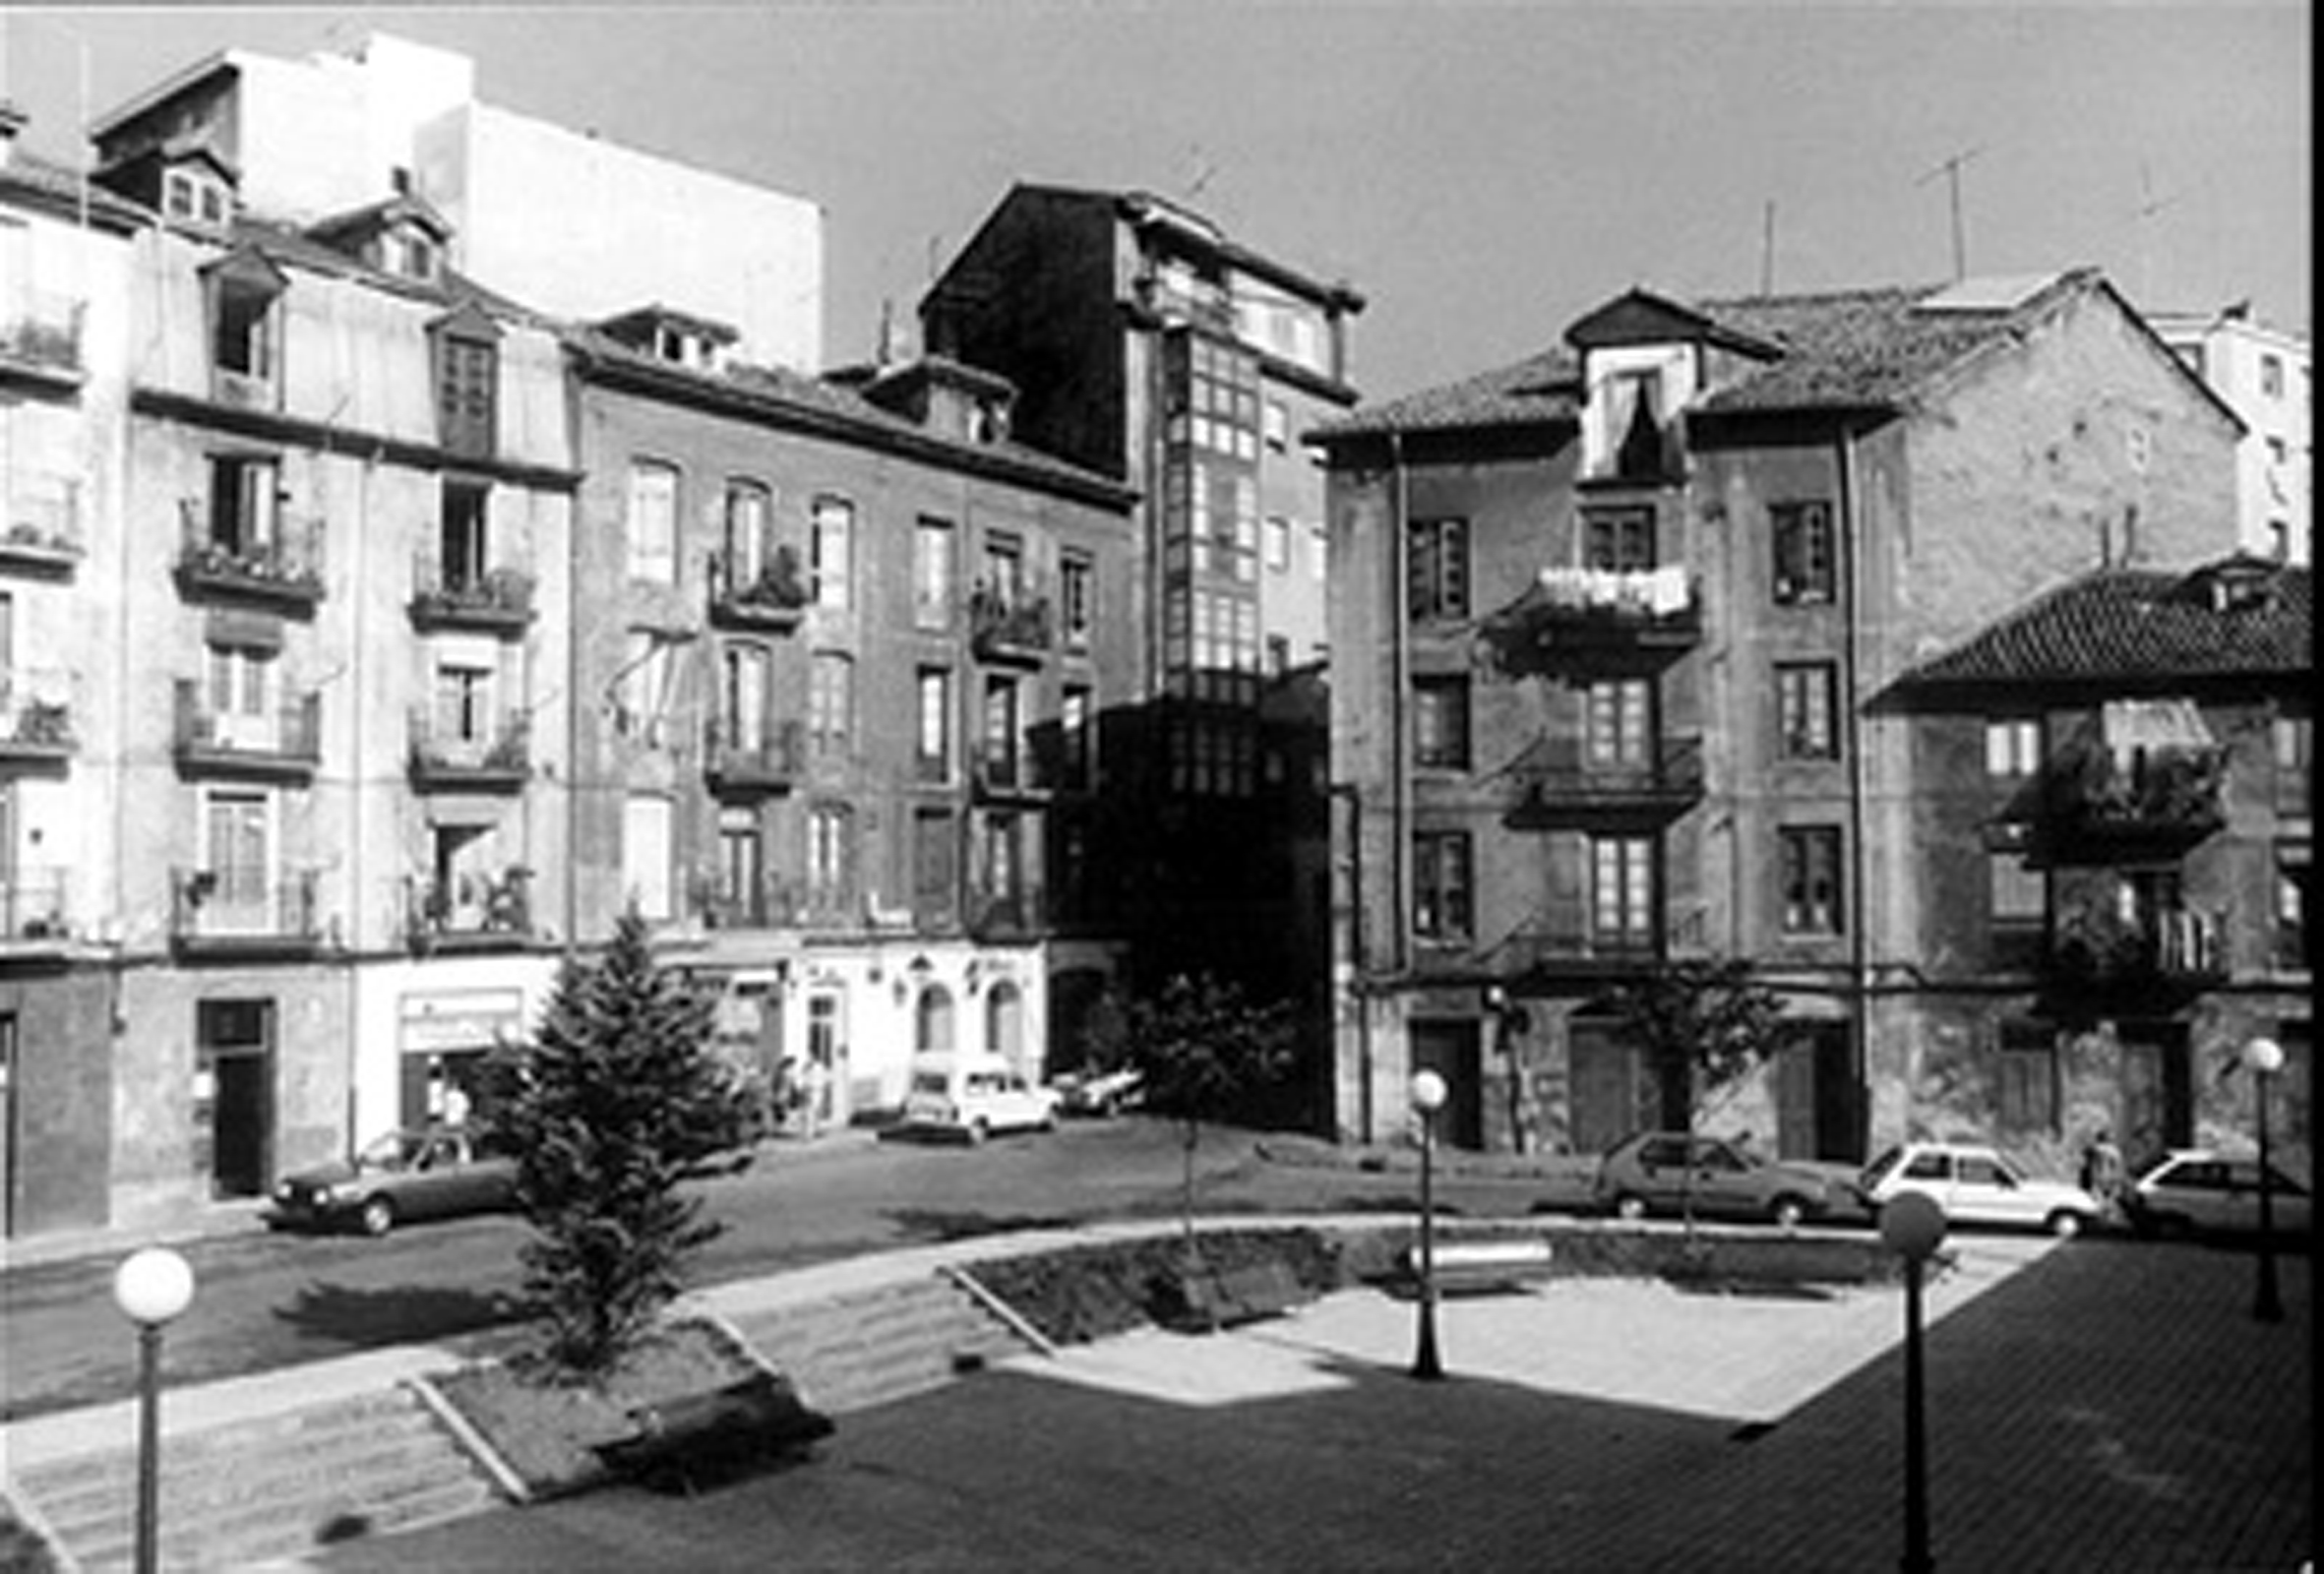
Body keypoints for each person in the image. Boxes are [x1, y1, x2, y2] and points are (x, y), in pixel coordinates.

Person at [2080, 1128, 2124, 1209]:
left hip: (2098, 1181)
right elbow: (2119, 1168)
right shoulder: (2115, 1151)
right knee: (2110, 1204)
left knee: (2097, 1205)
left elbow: (2090, 1165)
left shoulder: (2094, 1149)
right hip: (2111, 1181)